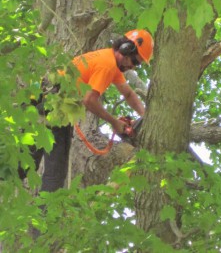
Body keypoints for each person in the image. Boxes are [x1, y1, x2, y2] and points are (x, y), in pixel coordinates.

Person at [19, 29, 154, 192]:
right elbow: (89, 100)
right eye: (135, 61)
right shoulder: (108, 66)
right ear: (126, 49)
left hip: (43, 101)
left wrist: (146, 117)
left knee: (24, 162)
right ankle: (47, 216)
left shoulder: (107, 59)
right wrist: (115, 123)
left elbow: (128, 93)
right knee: (55, 175)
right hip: (57, 107)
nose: (133, 66)